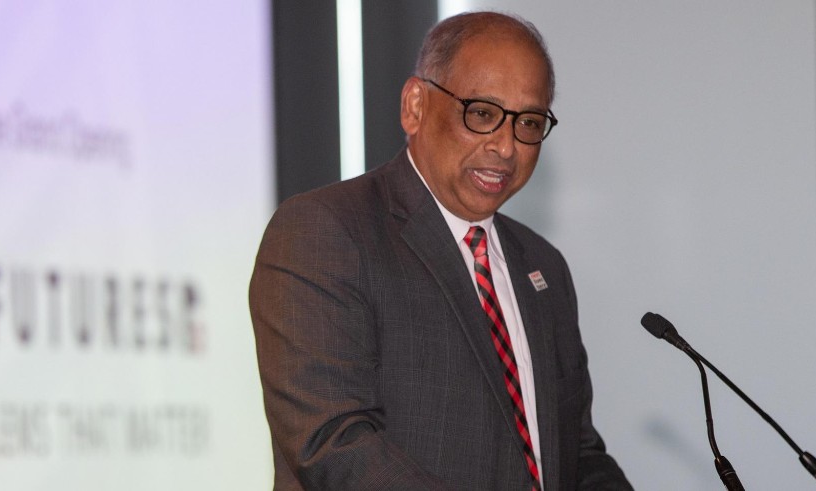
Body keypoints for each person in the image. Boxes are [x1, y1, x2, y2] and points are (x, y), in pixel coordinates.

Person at [249, 11, 632, 491]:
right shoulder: (325, 231)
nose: (506, 146)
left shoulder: (542, 266)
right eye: (483, 114)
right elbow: (333, 442)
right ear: (414, 105)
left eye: (528, 122)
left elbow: (575, 454)